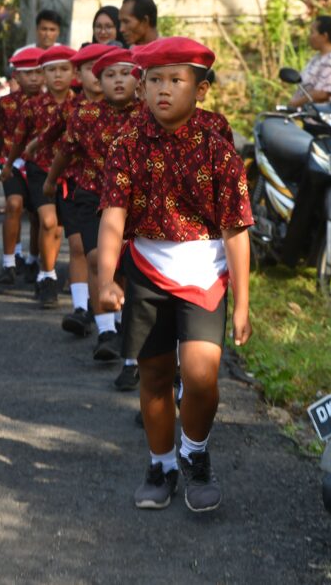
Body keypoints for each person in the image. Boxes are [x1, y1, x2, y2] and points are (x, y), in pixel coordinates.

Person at [97, 38, 253, 512]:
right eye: (155, 81)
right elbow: (112, 217)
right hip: (146, 266)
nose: (164, 90)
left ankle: (196, 452)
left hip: (204, 268)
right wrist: (106, 278)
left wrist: (243, 302)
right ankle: (161, 463)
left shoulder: (218, 148)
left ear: (200, 90)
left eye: (177, 80)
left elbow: (235, 228)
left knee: (202, 375)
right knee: (156, 373)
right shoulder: (125, 144)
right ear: (142, 87)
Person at [44, 43, 116, 336]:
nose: (98, 75)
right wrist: (47, 174)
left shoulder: (134, 110)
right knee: (81, 249)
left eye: (106, 69)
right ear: (80, 73)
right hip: (77, 186)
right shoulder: (72, 109)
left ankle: (114, 318)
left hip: (117, 194)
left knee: (113, 257)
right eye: (91, 68)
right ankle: (81, 308)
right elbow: (52, 140)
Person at [1, 45, 77, 309]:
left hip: (72, 173)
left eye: (64, 69)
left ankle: (51, 269)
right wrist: (9, 164)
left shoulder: (81, 104)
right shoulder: (33, 105)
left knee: (59, 229)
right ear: (43, 73)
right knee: (47, 222)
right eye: (52, 69)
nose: (58, 75)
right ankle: (47, 277)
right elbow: (20, 138)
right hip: (39, 169)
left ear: (74, 72)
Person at [0, 47, 45, 285]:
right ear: (16, 76)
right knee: (14, 204)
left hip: (40, 163)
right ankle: (9, 263)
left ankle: (33, 260)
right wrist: (0, 159)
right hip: (11, 161)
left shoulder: (50, 104)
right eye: (28, 73)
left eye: (38, 72)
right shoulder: (4, 104)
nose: (34, 78)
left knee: (36, 214)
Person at [288, 15, 331, 108]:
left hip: (320, 118)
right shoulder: (319, 57)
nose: (309, 36)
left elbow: (322, 94)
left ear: (324, 36)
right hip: (306, 115)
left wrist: (295, 104)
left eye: (312, 32)